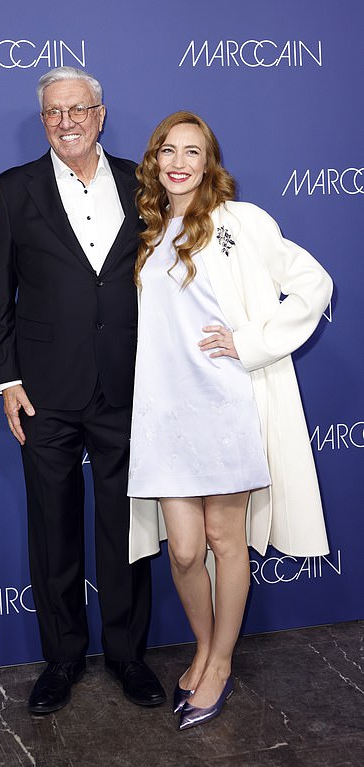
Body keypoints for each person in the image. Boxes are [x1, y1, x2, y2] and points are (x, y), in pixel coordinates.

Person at [127, 111, 332, 729]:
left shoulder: (241, 222)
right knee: (185, 551)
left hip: (226, 404)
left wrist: (249, 342)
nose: (179, 162)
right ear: (155, 161)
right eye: (169, 150)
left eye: (193, 151)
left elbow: (314, 283)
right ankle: (203, 643)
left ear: (209, 161)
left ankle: (218, 662)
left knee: (224, 540)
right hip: (165, 412)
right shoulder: (147, 230)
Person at [0, 67, 165, 715]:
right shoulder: (11, 190)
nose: (66, 121)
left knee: (127, 527)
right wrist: (6, 379)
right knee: (53, 530)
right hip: (45, 390)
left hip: (128, 384)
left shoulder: (140, 184)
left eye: (77, 109)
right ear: (43, 122)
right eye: (53, 113)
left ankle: (127, 656)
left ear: (100, 113)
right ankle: (62, 659)